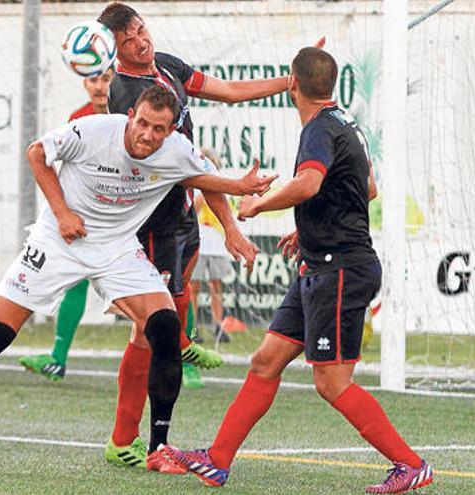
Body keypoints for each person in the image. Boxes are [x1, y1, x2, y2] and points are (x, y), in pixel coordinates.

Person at [0, 86, 275, 473]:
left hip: (115, 248)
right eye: (143, 123)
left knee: (165, 326)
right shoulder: (94, 131)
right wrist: (62, 212)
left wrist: (233, 216)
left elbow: (204, 178)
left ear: (170, 131)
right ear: (130, 115)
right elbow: (37, 153)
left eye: (158, 129)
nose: (147, 134)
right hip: (59, 238)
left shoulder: (177, 149)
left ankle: (159, 447)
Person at [162, 47, 432, 494]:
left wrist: (258, 203)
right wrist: (309, 229)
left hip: (341, 270)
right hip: (319, 264)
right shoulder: (345, 122)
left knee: (331, 382)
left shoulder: (318, 129)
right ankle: (217, 460)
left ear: (292, 83)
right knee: (266, 360)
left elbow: (309, 183)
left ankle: (410, 464)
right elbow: (366, 188)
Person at [97, 1, 317, 472]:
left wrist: (289, 81)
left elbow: (231, 94)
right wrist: (233, 222)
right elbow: (184, 168)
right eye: (127, 40)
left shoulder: (168, 67)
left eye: (140, 30)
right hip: (151, 223)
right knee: (149, 333)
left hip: (182, 216)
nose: (139, 41)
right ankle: (132, 440)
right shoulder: (124, 94)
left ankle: (177, 344)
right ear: (114, 49)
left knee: (162, 323)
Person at [19, 67, 114, 381]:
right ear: (85, 83)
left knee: (169, 283)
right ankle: (58, 359)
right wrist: (64, 213)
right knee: (76, 281)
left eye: (106, 78)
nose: (99, 86)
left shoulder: (131, 114)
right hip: (88, 215)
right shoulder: (79, 118)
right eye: (93, 80)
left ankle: (187, 358)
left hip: (126, 217)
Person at [190, 150, 237, 347]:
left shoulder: (221, 190)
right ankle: (193, 328)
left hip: (216, 245)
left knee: (216, 286)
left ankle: (218, 325)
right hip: (200, 243)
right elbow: (193, 211)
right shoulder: (198, 190)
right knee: (193, 287)